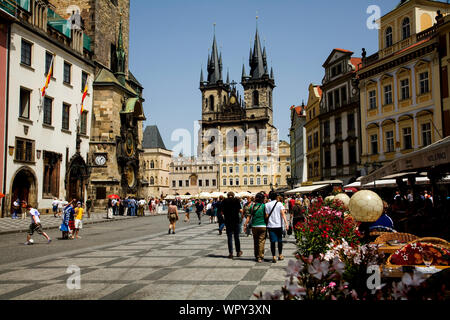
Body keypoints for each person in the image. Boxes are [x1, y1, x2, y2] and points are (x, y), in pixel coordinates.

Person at [265, 191, 289, 263]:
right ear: (276, 197)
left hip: (270, 225)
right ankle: (280, 255)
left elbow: (266, 216)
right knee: (279, 241)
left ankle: (274, 256)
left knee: (272, 242)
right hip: (279, 225)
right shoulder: (279, 204)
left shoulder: (267, 205)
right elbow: (283, 214)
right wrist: (286, 223)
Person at [243, 193, 266, 263]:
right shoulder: (264, 206)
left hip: (254, 226)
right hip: (262, 225)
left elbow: (249, 217)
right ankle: (260, 256)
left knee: (255, 241)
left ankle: (256, 256)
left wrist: (245, 225)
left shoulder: (252, 207)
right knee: (261, 242)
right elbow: (266, 216)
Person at [221, 192, 243, 259]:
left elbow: (222, 211)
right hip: (235, 221)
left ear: (228, 196)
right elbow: (240, 210)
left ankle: (231, 253)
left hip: (228, 221)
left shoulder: (224, 201)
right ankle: (238, 252)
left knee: (229, 238)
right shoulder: (236, 200)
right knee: (236, 237)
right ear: (233, 195)